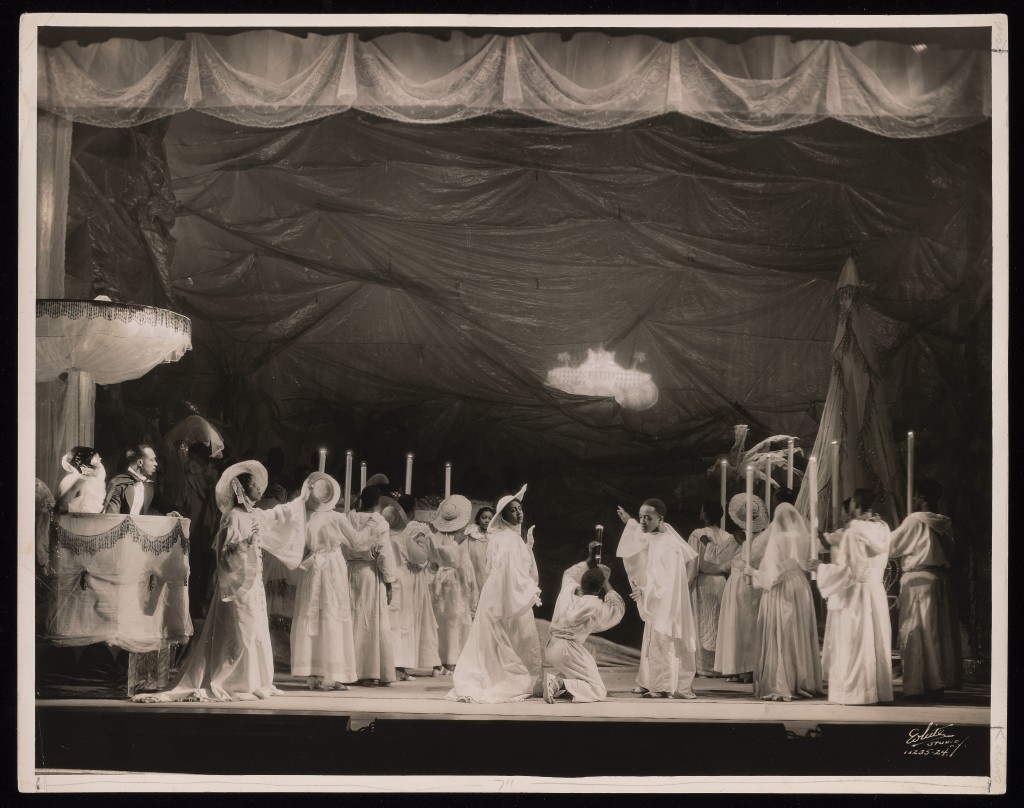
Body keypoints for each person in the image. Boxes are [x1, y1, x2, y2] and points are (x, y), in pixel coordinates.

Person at [133, 460, 307, 702]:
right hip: (236, 585)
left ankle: (255, 680)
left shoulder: (254, 513)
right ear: (243, 490)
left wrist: (300, 503)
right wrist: (245, 544)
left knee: (256, 630)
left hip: (253, 582)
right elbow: (224, 553)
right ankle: (234, 680)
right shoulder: (234, 516)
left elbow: (278, 517)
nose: (260, 490)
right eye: (256, 487)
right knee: (241, 632)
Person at [446, 485, 543, 703]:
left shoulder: (506, 535)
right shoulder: (506, 537)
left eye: (519, 509)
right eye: (512, 511)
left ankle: (506, 675)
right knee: (507, 633)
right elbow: (508, 571)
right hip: (504, 590)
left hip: (503, 589)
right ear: (504, 516)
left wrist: (527, 547)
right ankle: (504, 678)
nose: (518, 513)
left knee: (512, 634)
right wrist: (526, 590)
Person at [803, 488, 893, 705]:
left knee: (854, 642)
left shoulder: (853, 531)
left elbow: (850, 570)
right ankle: (877, 690)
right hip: (875, 590)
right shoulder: (883, 528)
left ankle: (856, 693)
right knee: (874, 641)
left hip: (856, 594)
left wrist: (821, 568)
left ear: (855, 504)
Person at [886, 478, 962, 700]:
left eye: (916, 495)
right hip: (940, 579)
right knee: (937, 631)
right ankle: (937, 683)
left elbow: (891, 546)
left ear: (923, 498)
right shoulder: (946, 522)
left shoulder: (915, 520)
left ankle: (919, 685)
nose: (913, 499)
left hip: (919, 580)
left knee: (917, 630)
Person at [615, 498, 699, 699]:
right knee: (654, 638)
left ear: (660, 519)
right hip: (657, 600)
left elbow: (665, 580)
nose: (642, 521)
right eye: (641, 516)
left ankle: (664, 686)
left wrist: (645, 591)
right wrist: (630, 521)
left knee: (664, 639)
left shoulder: (668, 545)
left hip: (667, 602)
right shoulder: (657, 535)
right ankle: (651, 681)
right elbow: (640, 537)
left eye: (648, 518)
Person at [290, 472, 362, 691]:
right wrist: (375, 530)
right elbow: (358, 543)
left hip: (313, 566)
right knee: (331, 613)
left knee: (314, 614)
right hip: (331, 566)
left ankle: (312, 673)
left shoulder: (306, 517)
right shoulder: (338, 518)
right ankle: (332, 673)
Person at [749, 497, 823, 702]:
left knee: (781, 632)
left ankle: (782, 680)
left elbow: (771, 573)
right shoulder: (804, 537)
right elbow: (809, 561)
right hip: (800, 585)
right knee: (797, 631)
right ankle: (802, 679)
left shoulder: (778, 538)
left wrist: (753, 573)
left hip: (781, 588)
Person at [543, 541, 625, 703]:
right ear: (598, 588)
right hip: (567, 650)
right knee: (598, 689)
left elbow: (569, 573)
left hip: (551, 646)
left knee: (586, 659)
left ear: (582, 581)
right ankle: (557, 683)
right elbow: (618, 609)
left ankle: (561, 684)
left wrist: (590, 559)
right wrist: (606, 580)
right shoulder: (593, 607)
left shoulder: (568, 588)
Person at [342, 486, 398, 687]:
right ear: (378, 503)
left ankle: (349, 669)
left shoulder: (347, 518)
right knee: (370, 621)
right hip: (369, 572)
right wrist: (389, 581)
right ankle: (369, 670)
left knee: (351, 618)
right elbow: (384, 553)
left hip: (348, 571)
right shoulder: (379, 522)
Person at [714, 494, 770, 683]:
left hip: (742, 581)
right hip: (753, 582)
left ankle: (744, 668)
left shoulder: (737, 538)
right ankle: (746, 668)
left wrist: (706, 541)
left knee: (739, 625)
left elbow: (716, 557)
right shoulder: (763, 536)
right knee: (748, 625)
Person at [386, 494, 441, 680]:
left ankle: (400, 663)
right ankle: (404, 665)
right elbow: (422, 556)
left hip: (392, 576)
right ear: (412, 511)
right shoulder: (415, 529)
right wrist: (421, 555)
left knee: (399, 622)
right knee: (411, 620)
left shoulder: (387, 530)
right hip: (410, 576)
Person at [426, 495, 477, 675]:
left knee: (444, 620)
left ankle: (441, 660)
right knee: (452, 619)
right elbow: (464, 565)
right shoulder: (460, 539)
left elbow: (432, 562)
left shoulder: (436, 537)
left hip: (442, 580)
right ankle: (449, 660)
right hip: (453, 581)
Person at [686, 501, 739, 677]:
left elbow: (692, 565)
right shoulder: (728, 536)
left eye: (702, 511)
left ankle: (705, 667)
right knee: (719, 622)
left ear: (706, 515)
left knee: (702, 621)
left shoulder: (697, 535)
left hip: (703, 582)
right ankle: (721, 666)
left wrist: (686, 584)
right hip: (722, 583)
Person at [102, 444, 164, 515]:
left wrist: (174, 512)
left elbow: (165, 506)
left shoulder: (148, 485)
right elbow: (112, 517)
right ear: (140, 462)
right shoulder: (119, 484)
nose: (156, 463)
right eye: (152, 460)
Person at [55, 447, 107, 514]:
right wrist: (81, 478)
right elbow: (60, 507)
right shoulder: (72, 481)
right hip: (74, 522)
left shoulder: (97, 481)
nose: (99, 466)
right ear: (84, 467)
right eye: (96, 463)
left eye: (99, 460)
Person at [463, 505, 494, 610]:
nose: (487, 521)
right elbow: (465, 551)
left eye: (490, 518)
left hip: (488, 569)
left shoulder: (493, 536)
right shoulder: (472, 534)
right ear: (478, 518)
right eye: (484, 517)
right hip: (474, 567)